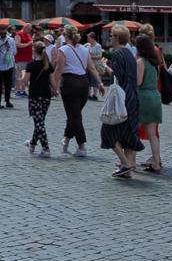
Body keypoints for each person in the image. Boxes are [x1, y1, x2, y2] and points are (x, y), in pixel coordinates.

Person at [99, 25, 143, 179]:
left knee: (107, 131)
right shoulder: (130, 53)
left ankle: (125, 164)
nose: (110, 37)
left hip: (122, 96)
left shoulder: (117, 54)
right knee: (129, 133)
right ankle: (127, 170)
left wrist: (105, 66)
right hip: (133, 96)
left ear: (117, 37)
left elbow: (116, 75)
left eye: (112, 35)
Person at [54, 25, 99, 157]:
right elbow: (92, 68)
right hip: (84, 83)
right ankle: (66, 140)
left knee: (74, 116)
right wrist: (99, 82)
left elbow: (59, 70)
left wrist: (53, 85)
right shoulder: (85, 49)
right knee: (74, 113)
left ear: (65, 36)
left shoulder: (63, 50)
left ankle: (81, 146)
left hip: (70, 83)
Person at [135, 34, 165, 173]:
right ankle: (156, 162)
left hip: (144, 97)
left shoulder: (141, 62)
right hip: (155, 97)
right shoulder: (154, 62)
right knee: (152, 134)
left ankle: (129, 160)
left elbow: (139, 82)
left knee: (134, 130)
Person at [24, 35, 54, 156]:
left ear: (34, 51)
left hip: (35, 96)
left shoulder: (31, 65)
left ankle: (46, 148)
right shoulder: (48, 65)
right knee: (40, 121)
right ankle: (32, 143)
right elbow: (53, 82)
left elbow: (25, 81)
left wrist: (22, 75)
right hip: (46, 96)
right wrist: (56, 90)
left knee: (39, 122)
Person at [13, 25, 34, 97]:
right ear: (25, 28)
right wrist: (28, 44)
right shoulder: (18, 34)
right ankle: (18, 91)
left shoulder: (28, 34)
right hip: (20, 58)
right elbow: (17, 45)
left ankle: (23, 90)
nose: (30, 31)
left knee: (25, 76)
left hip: (28, 58)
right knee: (19, 75)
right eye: (29, 29)